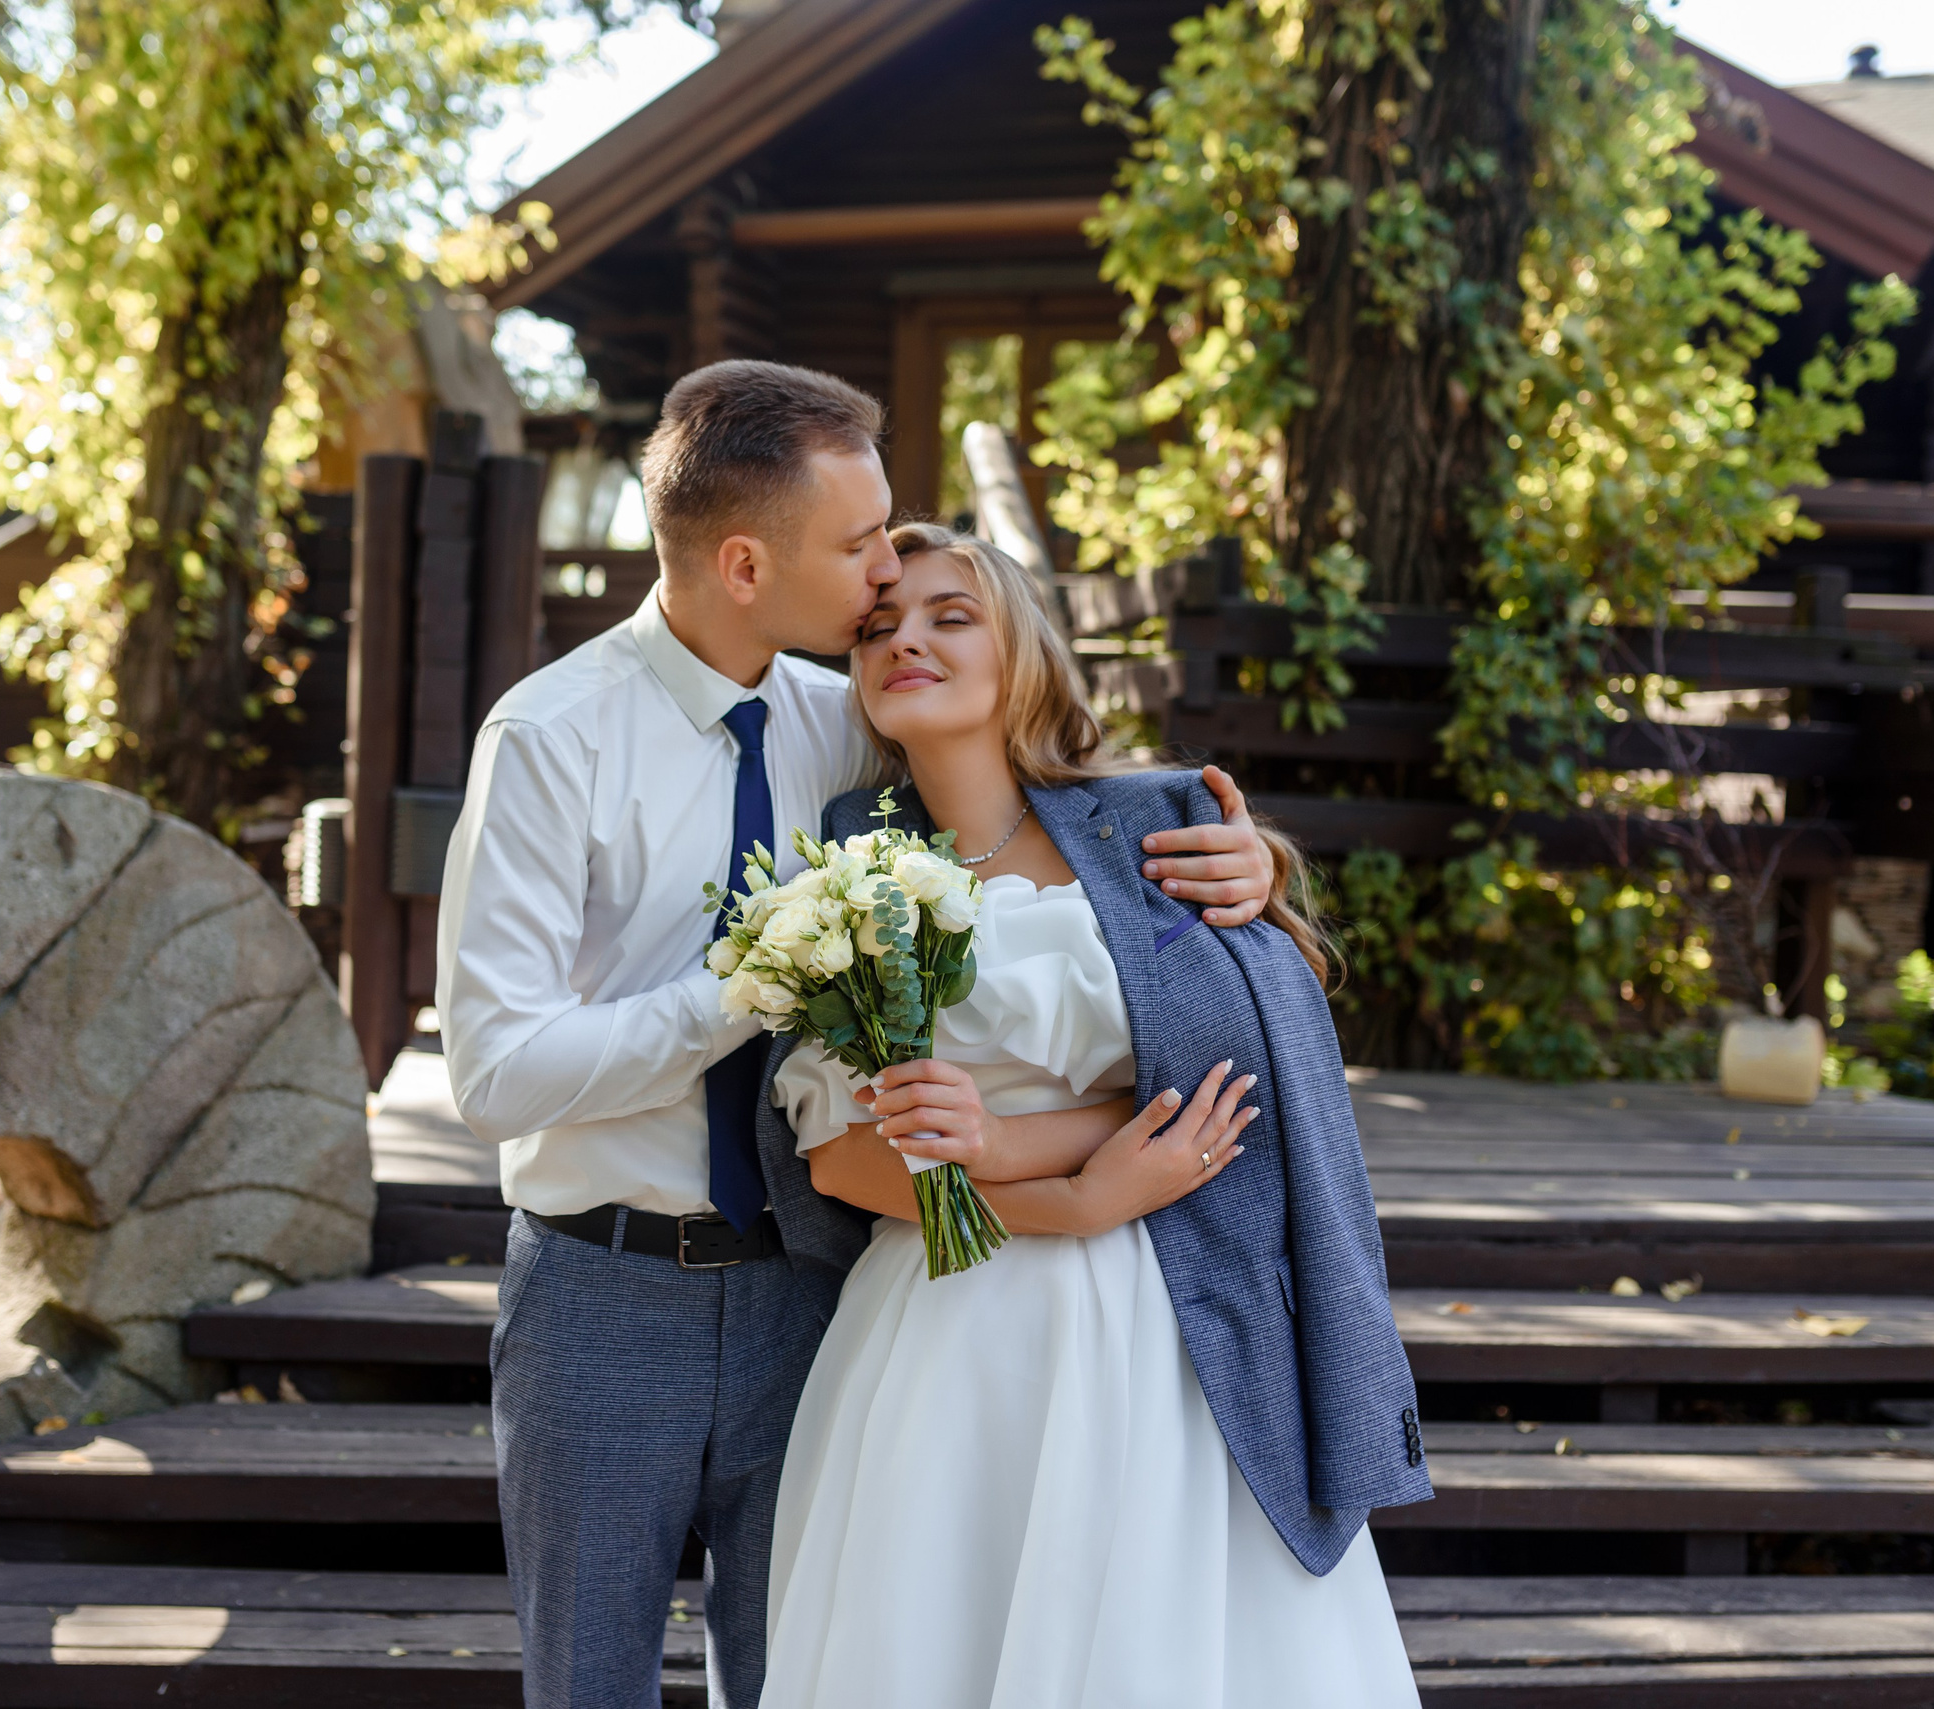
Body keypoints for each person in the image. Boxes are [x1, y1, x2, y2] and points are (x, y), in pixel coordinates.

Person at [435, 361, 1293, 1709]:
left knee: (815, 1678)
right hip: (605, 1294)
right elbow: (494, 1073)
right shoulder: (550, 737)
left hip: (816, 1285)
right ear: (743, 563)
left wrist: (1242, 862)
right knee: (587, 1687)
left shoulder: (848, 723)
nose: (887, 571)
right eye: (860, 542)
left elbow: (1026, 796)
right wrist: (757, 976)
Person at [755, 525, 1430, 1709]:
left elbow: (1248, 1067)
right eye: (878, 627)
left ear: (1023, 648)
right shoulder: (844, 860)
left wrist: (1024, 1149)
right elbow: (838, 1159)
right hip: (943, 1321)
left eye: (951, 615)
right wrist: (1060, 1202)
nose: (906, 639)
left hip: (1166, 1302)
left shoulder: (1155, 823)